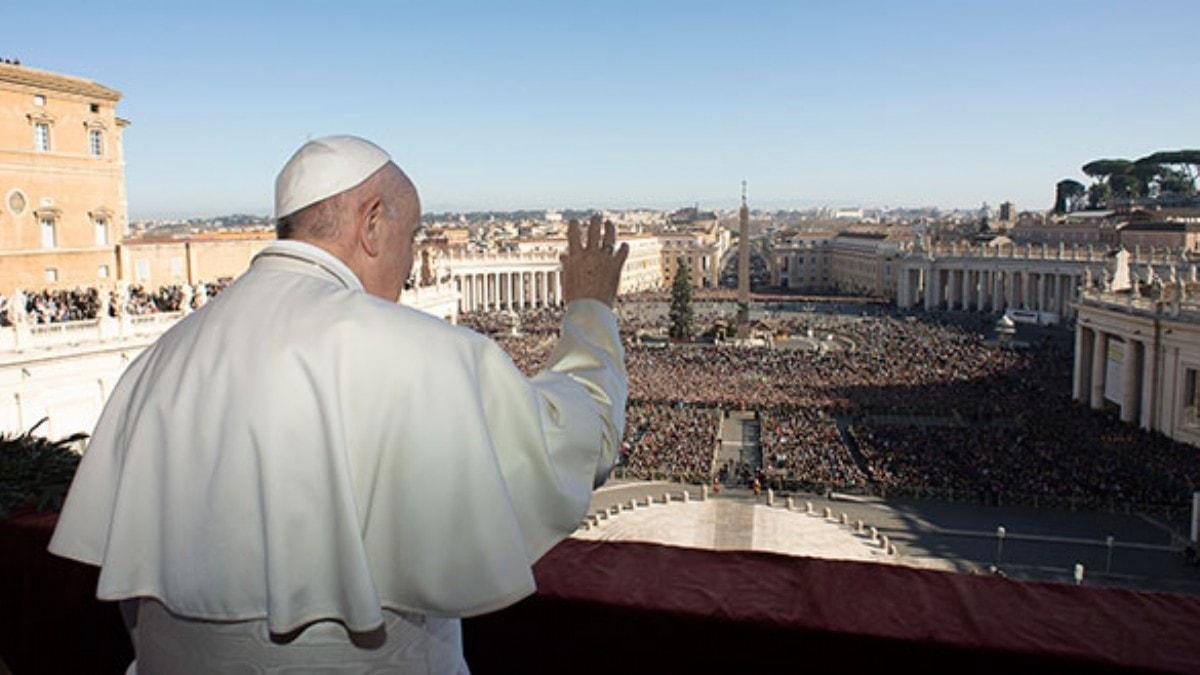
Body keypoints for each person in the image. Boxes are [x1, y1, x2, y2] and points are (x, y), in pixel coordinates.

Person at [47, 135, 630, 674]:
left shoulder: (158, 361)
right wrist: (589, 309)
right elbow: (579, 441)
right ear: (373, 224)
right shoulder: (420, 353)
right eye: (413, 238)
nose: (410, 266)